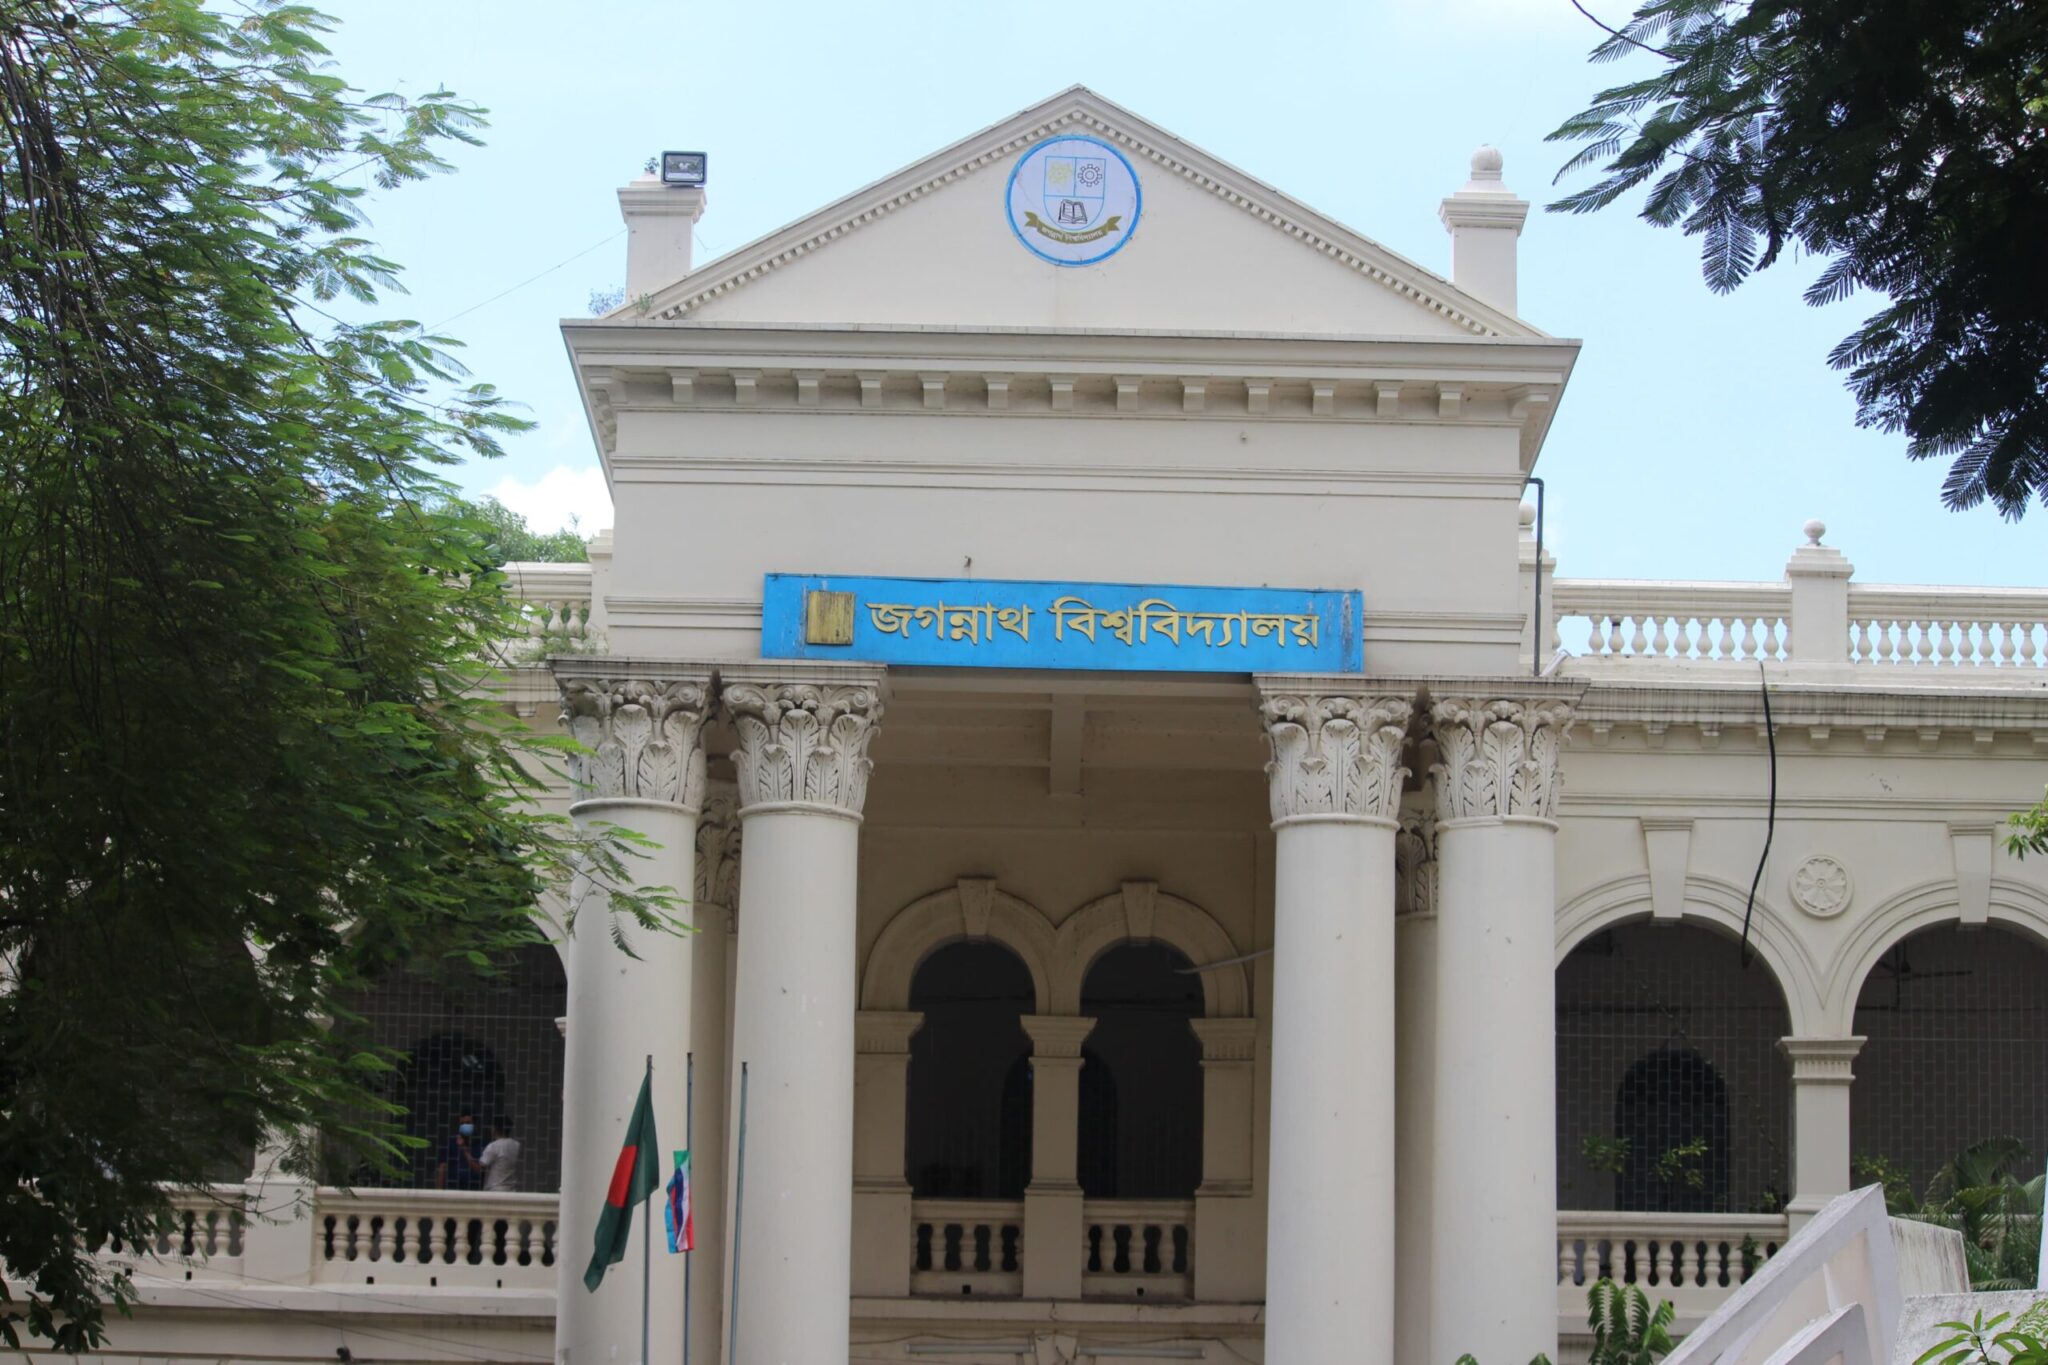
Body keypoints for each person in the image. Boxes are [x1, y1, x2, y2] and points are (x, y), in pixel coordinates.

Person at [473, 1118, 522, 1193]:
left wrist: (465, 1150)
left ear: (495, 1129)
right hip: (511, 1190)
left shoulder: (493, 1146)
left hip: (495, 1190)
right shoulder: (516, 1145)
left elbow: (480, 1167)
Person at [437, 1113, 481, 1191]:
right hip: (452, 1189)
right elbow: (442, 1168)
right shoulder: (450, 1143)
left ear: (475, 1125)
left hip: (473, 1191)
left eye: (468, 1123)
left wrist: (463, 1148)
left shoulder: (480, 1145)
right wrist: (439, 1191)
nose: (465, 1126)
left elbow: (478, 1170)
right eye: (462, 1123)